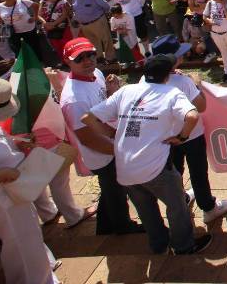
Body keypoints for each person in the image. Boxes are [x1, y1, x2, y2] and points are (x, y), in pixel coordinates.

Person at [83, 54, 212, 255]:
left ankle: (159, 245)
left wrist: (111, 134)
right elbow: (193, 115)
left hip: (125, 168)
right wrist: (182, 137)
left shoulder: (126, 90)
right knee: (177, 206)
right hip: (155, 166)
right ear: (167, 75)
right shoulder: (171, 92)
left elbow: (88, 117)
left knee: (146, 211)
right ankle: (183, 246)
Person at [0, 78, 60, 284]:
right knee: (22, 244)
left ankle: (42, 277)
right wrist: (1, 173)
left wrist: (16, 144)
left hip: (10, 194)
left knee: (29, 240)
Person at [58, 37, 142, 236]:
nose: (88, 61)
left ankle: (105, 226)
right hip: (103, 153)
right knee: (116, 191)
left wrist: (111, 91)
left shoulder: (95, 73)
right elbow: (88, 138)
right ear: (68, 62)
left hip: (111, 143)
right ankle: (123, 227)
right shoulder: (73, 99)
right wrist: (119, 151)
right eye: (80, 58)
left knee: (111, 190)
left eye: (90, 55)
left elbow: (101, 104)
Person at [151, 35, 227, 224]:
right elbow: (201, 106)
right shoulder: (183, 82)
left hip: (165, 137)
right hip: (190, 136)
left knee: (175, 171)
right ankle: (208, 207)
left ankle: (180, 201)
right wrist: (196, 84)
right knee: (198, 172)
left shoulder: (147, 79)